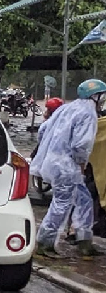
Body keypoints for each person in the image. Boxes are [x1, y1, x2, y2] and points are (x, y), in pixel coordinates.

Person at [31, 79, 106, 258]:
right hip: (68, 166)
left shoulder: (68, 108)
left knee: (83, 199)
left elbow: (43, 130)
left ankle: (84, 240)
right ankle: (44, 243)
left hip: (55, 162)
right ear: (95, 96)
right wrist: (81, 163)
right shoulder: (88, 113)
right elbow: (82, 144)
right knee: (62, 204)